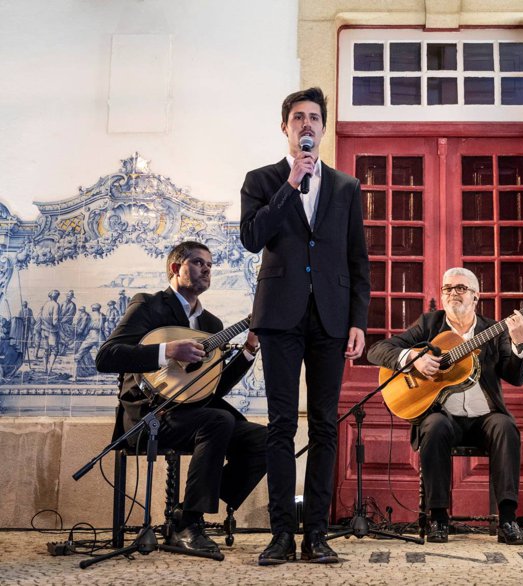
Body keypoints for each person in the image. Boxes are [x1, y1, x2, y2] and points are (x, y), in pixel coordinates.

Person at [240, 87, 370, 565]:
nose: (307, 124)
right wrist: (290, 183)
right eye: (299, 117)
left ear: (324, 127)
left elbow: (359, 260)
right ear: (286, 127)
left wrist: (358, 321)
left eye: (315, 117)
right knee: (280, 425)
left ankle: (316, 533)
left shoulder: (346, 187)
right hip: (279, 317)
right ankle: (281, 534)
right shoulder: (261, 180)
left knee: (324, 426)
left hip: (331, 319)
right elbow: (252, 238)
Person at [96, 241, 267, 557]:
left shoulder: (211, 325)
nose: (207, 269)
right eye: (199, 262)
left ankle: (184, 511)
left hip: (195, 414)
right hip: (150, 416)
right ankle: (189, 525)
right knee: (218, 420)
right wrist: (166, 351)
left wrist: (249, 348)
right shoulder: (148, 306)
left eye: (210, 265)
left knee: (264, 440)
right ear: (176, 268)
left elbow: (212, 389)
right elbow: (106, 357)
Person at [367, 267, 523, 546]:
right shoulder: (429, 325)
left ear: (476, 296)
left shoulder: (493, 330)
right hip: (444, 417)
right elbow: (376, 350)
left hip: (485, 418)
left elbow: (516, 377)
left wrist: (520, 342)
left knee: (505, 426)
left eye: (461, 288)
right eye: (447, 288)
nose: (453, 293)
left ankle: (507, 520)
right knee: (434, 426)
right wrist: (413, 359)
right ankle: (439, 518)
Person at [38, 289, 60, 374]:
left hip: (44, 329)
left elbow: (41, 316)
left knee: (46, 350)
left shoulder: (46, 304)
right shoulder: (56, 305)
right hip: (52, 331)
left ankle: (44, 369)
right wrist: (60, 327)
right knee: (55, 350)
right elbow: (55, 321)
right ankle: (50, 370)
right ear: (57, 297)